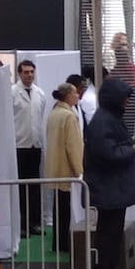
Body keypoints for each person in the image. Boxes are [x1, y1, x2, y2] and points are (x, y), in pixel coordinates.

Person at [83, 78, 135, 269]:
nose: (127, 102)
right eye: (125, 98)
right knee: (107, 236)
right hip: (108, 187)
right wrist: (131, 151)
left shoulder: (109, 118)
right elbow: (107, 154)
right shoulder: (103, 122)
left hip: (113, 187)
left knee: (113, 234)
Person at [44, 83, 83, 254]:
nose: (77, 95)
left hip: (54, 165)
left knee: (58, 206)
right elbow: (73, 146)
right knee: (65, 208)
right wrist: (79, 169)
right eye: (75, 93)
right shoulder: (69, 116)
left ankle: (57, 242)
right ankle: (64, 243)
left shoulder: (53, 113)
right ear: (67, 95)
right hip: (65, 167)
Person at [11, 59, 48, 237]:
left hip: (35, 145)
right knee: (20, 188)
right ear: (19, 73)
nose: (29, 75)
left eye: (32, 72)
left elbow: (39, 117)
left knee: (34, 187)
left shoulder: (40, 93)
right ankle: (21, 224)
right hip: (19, 146)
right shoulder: (12, 93)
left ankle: (34, 222)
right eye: (26, 72)